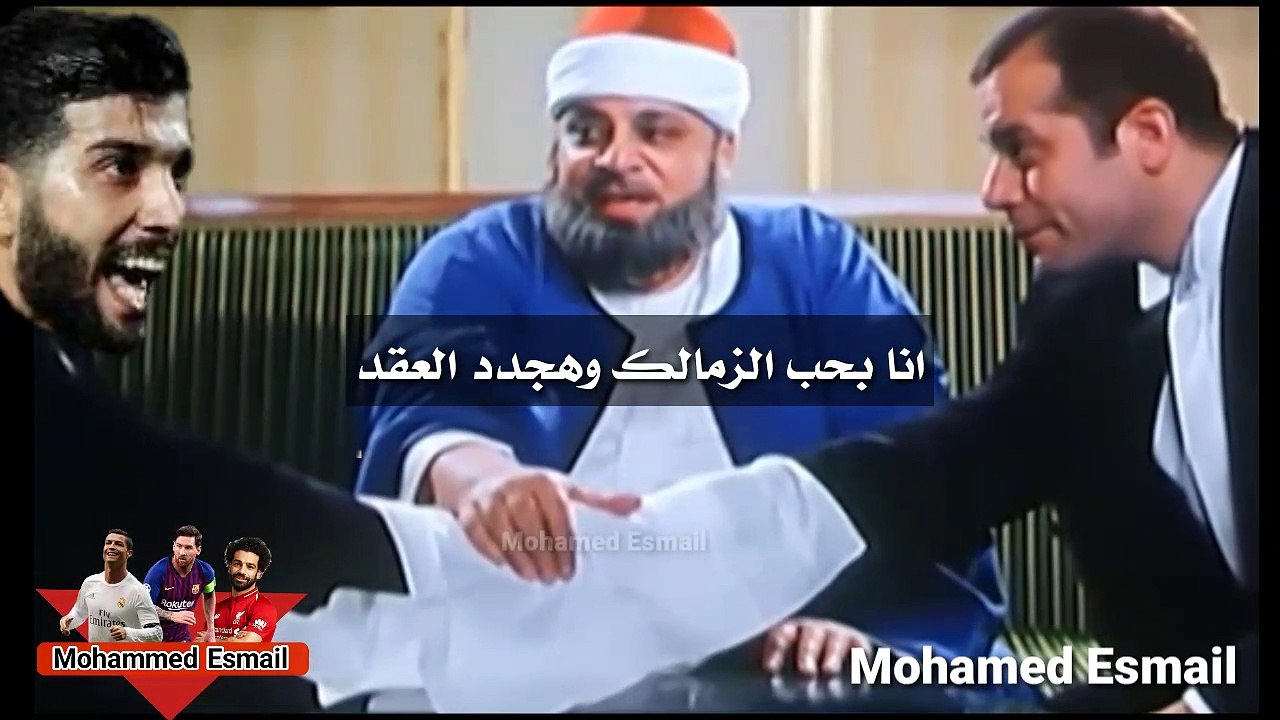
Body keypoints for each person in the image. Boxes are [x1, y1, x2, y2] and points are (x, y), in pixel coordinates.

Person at [354, 4, 1011, 682]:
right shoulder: (480, 257)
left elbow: (909, 467)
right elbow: (426, 408)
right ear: (555, 150)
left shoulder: (819, 266)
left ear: (722, 150)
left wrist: (860, 631)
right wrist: (485, 481)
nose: (616, 159)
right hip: (531, 639)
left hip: (774, 659)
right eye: (586, 132)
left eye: (657, 132)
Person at [711, 7, 1256, 713]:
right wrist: (687, 527)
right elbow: (955, 468)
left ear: (1147, 134)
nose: (994, 190)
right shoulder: (1083, 293)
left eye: (1021, 151)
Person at [4, 7, 418, 713]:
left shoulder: (61, 344)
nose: (167, 212)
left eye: (175, 172)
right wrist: (427, 555)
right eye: (119, 167)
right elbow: (148, 484)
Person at [59, 529, 162, 643]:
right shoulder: (89, 583)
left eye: (118, 544)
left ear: (129, 553)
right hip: (96, 653)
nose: (112, 547)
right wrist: (68, 621)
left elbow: (157, 633)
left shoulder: (138, 590)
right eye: (108, 543)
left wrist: (128, 633)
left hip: (123, 654)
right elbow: (79, 612)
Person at [197, 538, 279, 643]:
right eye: (237, 564)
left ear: (259, 573)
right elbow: (199, 644)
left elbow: (243, 645)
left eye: (250, 567)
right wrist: (231, 640)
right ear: (229, 567)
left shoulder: (264, 608)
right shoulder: (216, 608)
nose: (242, 571)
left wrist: (214, 641)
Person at [143, 525, 216, 642]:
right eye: (179, 546)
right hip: (153, 638)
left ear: (198, 550)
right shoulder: (158, 572)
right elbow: (143, 607)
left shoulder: (206, 572)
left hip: (181, 637)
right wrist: (171, 615)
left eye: (188, 548)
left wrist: (211, 630)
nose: (182, 552)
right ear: (173, 546)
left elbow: (209, 594)